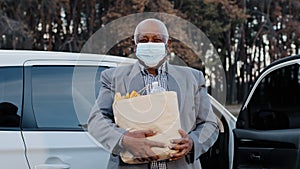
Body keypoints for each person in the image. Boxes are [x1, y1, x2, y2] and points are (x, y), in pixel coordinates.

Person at [88, 18, 219, 169]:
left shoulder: (193, 78)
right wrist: (124, 139)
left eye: (157, 40)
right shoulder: (113, 78)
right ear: (135, 45)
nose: (150, 44)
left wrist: (193, 142)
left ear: (167, 45)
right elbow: (96, 120)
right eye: (144, 40)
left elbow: (210, 124)